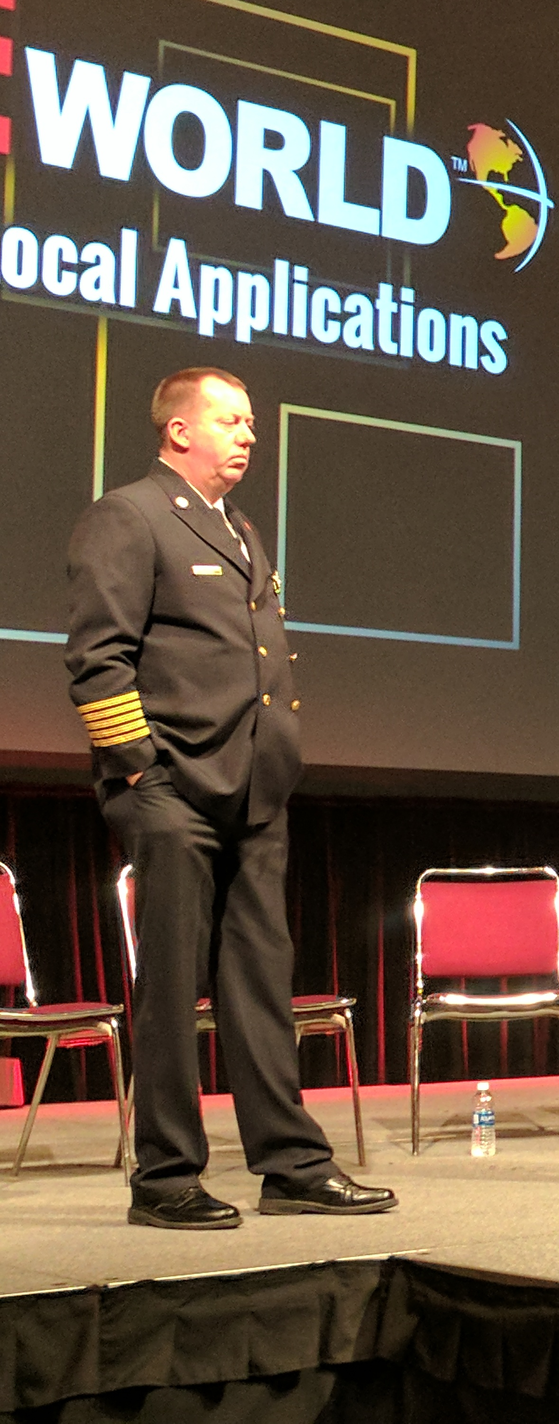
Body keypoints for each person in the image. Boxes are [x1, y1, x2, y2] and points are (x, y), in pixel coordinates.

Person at [66, 367, 395, 1230]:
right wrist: (142, 769)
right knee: (174, 987)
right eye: (232, 421)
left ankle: (290, 1164)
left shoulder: (240, 527)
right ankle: (166, 1179)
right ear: (179, 431)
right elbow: (97, 657)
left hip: (253, 789)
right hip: (173, 788)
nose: (250, 435)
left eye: (252, 422)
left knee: (260, 982)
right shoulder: (128, 515)